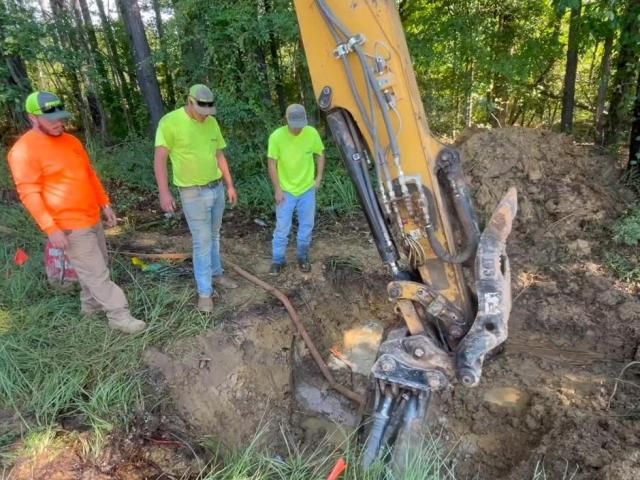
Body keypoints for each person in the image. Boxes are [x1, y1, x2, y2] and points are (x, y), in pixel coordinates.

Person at [7, 91, 146, 334]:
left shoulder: (71, 142)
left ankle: (89, 309)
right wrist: (51, 229)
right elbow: (29, 193)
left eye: (61, 118)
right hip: (68, 225)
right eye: (52, 120)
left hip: (91, 216)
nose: (59, 123)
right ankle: (119, 315)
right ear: (32, 118)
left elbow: (88, 174)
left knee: (96, 266)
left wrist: (104, 203)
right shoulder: (23, 151)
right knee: (97, 272)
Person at [154, 84, 238, 313]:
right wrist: (164, 192)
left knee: (214, 235)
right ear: (190, 102)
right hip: (192, 192)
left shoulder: (212, 123)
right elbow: (160, 159)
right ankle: (204, 293)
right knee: (202, 242)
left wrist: (229, 185)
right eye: (201, 110)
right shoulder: (170, 122)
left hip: (216, 187)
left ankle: (217, 274)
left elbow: (219, 154)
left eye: (208, 111)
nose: (204, 115)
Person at [267, 104, 325, 275]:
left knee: (306, 226)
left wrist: (319, 177)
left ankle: (302, 257)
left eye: (301, 124)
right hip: (286, 191)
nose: (298, 128)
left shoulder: (311, 133)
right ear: (287, 120)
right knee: (282, 228)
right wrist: (277, 188)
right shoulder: (276, 136)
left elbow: (320, 153)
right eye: (295, 124)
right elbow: (272, 163)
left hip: (307, 190)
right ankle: (278, 261)